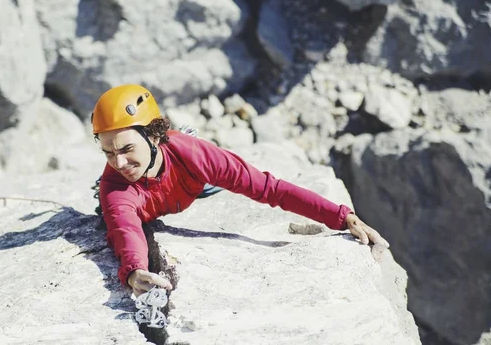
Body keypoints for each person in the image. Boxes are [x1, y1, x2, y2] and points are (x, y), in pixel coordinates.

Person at [92, 84, 389, 297]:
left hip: (193, 179)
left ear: (155, 136)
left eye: (126, 148)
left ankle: (202, 163)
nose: (118, 162)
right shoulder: (115, 187)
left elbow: (271, 190)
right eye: (107, 153)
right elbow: (125, 228)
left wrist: (342, 216)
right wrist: (134, 271)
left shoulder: (194, 156)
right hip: (175, 190)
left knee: (218, 170)